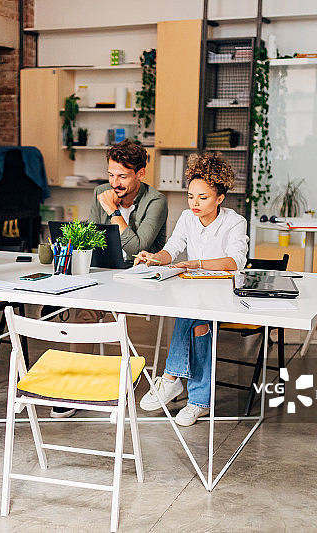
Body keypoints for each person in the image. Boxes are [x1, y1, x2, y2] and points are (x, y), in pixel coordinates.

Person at [52, 139, 168, 418]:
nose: (115, 182)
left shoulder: (156, 201)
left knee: (104, 308)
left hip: (143, 278)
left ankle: (124, 375)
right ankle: (74, 383)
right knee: (85, 307)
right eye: (111, 174)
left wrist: (114, 213)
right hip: (107, 271)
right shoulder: (101, 192)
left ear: (140, 174)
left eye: (123, 176)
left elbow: (137, 245)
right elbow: (93, 239)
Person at [135, 152, 248, 426]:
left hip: (226, 294)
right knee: (198, 324)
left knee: (194, 316)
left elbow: (235, 261)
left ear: (220, 198)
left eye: (203, 197)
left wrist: (196, 263)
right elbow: (172, 250)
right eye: (190, 196)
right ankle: (198, 401)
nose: (194, 203)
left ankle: (172, 378)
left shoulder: (235, 221)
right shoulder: (187, 218)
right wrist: (154, 257)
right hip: (196, 292)